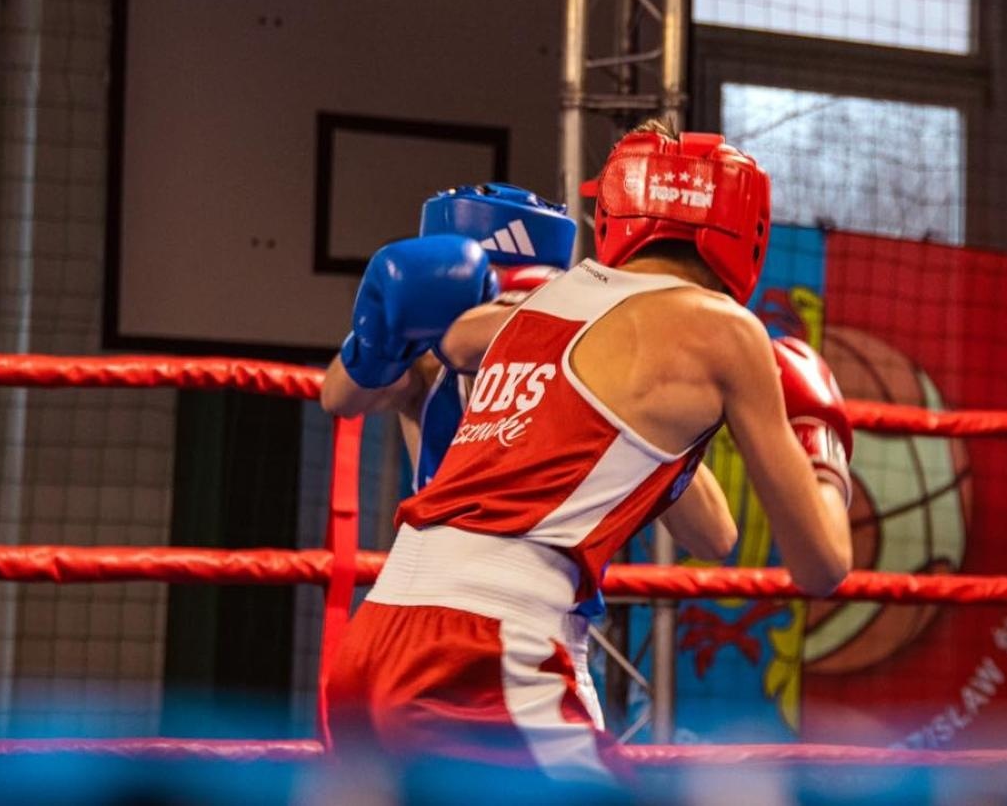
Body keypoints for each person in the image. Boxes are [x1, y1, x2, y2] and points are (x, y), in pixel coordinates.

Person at [323, 121, 854, 782]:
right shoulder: (727, 333)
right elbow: (821, 564)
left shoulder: (540, 305)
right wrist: (823, 452)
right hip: (485, 647)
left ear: (613, 213)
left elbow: (449, 346)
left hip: (379, 632)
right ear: (748, 229)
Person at [321, 184, 576, 493]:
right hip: (443, 524)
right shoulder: (427, 360)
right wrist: (376, 346)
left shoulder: (571, 343)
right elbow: (338, 399)